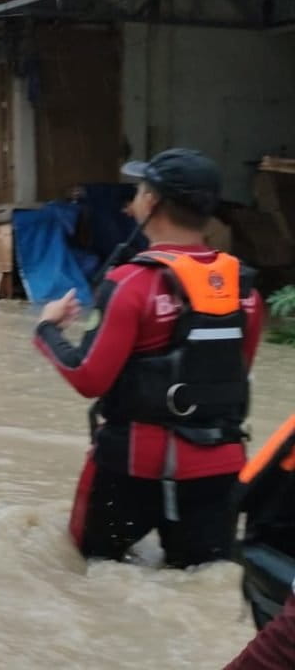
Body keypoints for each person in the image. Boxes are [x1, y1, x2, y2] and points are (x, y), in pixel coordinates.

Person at [35, 148, 262, 568]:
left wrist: (47, 329)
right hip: (219, 470)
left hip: (131, 470)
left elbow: (88, 377)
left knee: (85, 576)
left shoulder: (131, 283)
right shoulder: (245, 290)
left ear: (152, 203)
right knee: (200, 580)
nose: (132, 200)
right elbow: (234, 373)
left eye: (139, 190)